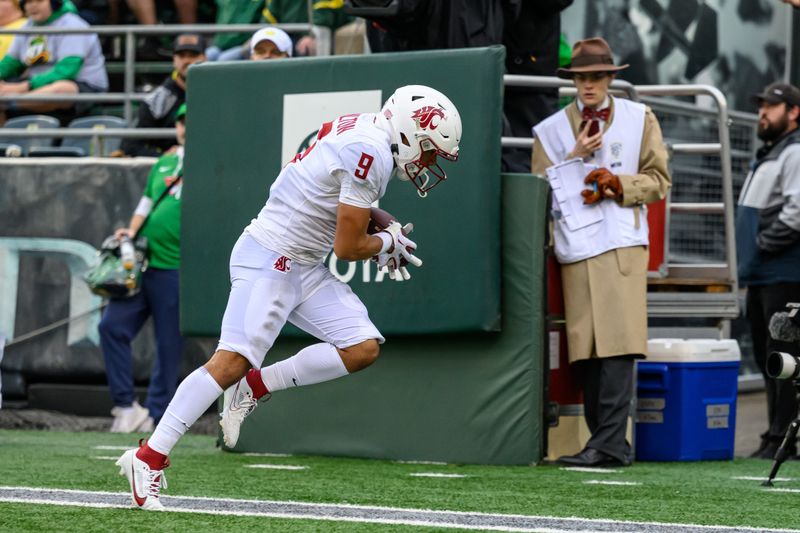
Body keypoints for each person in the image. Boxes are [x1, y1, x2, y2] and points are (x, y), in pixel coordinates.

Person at [115, 85, 462, 510]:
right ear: (411, 132)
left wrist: (380, 226)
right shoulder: (371, 151)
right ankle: (148, 457)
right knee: (230, 361)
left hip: (302, 263)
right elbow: (348, 248)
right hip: (272, 257)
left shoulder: (365, 130)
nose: (428, 162)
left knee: (361, 348)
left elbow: (326, 186)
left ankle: (255, 387)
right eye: (429, 150)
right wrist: (385, 243)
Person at [531, 37, 671, 467]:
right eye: (581, 78)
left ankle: (609, 443)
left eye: (596, 77)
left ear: (611, 78)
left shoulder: (638, 117)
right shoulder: (551, 130)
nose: (589, 85)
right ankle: (606, 444)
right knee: (587, 349)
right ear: (573, 81)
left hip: (622, 243)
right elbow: (538, 192)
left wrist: (618, 185)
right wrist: (573, 158)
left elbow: (659, 180)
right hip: (576, 248)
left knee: (618, 344)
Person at [101, 103, 188, 434]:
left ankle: (156, 414)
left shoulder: (211, 160)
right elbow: (146, 204)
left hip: (177, 268)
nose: (184, 127)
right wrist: (132, 232)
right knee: (112, 326)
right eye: (181, 121)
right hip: (146, 264)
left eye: (191, 121)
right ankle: (126, 406)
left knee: (168, 346)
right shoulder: (164, 161)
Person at [736, 81, 800, 459]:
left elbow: (797, 211)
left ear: (793, 112)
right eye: (761, 105)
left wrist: (762, 246)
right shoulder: (772, 152)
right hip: (763, 274)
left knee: (785, 357)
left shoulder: (793, 151)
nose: (763, 112)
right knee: (768, 356)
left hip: (783, 273)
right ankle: (775, 435)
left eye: (772, 106)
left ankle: (783, 439)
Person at [0, 0, 108, 125]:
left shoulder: (73, 25)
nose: (33, 6)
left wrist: (23, 87)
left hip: (82, 85)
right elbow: (10, 63)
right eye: (28, 2)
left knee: (63, 89)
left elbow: (66, 71)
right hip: (36, 84)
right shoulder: (28, 25)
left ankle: (9, 102)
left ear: (54, 3)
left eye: (39, 1)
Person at [119, 33, 204, 157]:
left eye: (193, 55)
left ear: (205, 57)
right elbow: (131, 146)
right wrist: (164, 156)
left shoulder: (218, 94)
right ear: (174, 60)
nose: (187, 61)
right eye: (181, 55)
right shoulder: (158, 100)